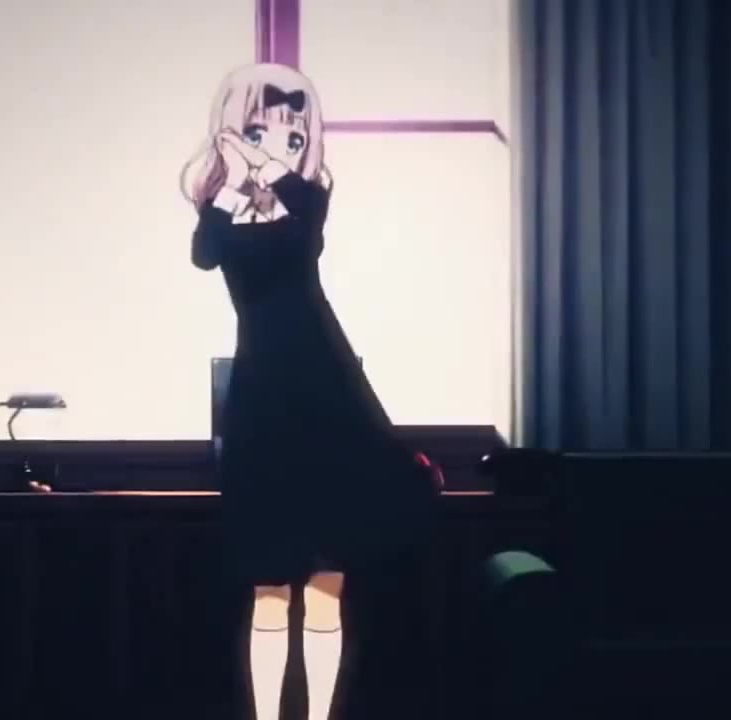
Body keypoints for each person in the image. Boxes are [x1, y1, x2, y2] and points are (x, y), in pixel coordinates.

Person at [178, 63, 443, 720]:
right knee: (269, 587)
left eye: (294, 135)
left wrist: (265, 164)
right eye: (260, 130)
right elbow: (205, 252)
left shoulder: (306, 203)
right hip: (264, 397)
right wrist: (235, 178)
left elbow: (305, 222)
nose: (278, 144)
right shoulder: (224, 212)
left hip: (325, 386)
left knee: (328, 583)